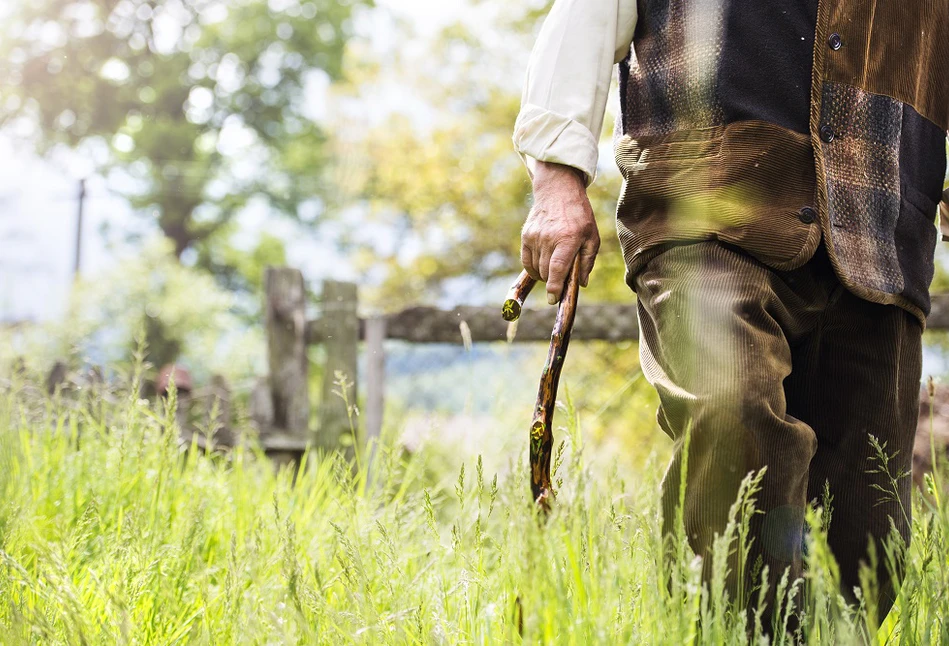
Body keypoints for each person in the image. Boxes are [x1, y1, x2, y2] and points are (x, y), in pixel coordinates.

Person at [513, 0, 949, 626]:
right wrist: (557, 178)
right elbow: (585, 17)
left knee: (865, 523)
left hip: (881, 230)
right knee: (729, 412)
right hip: (703, 203)